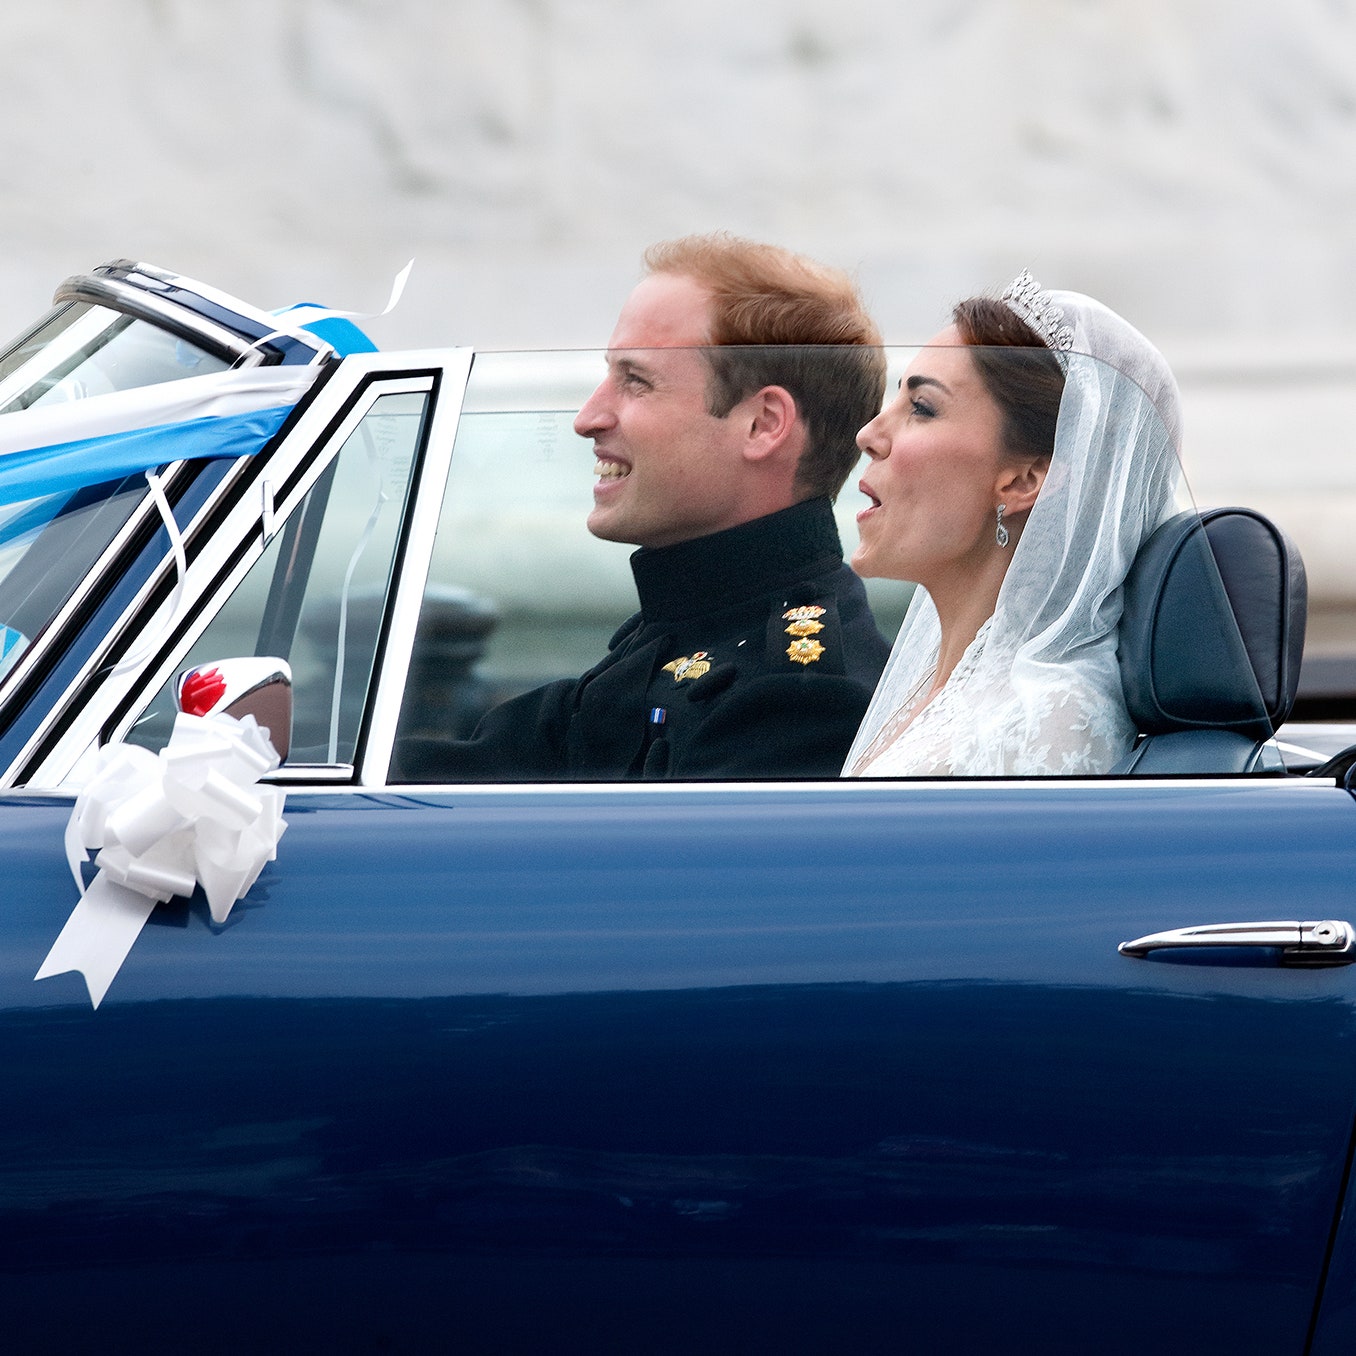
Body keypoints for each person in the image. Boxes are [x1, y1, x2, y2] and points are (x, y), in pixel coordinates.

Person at [398, 233, 890, 782]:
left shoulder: (796, 699)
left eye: (635, 382)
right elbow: (478, 768)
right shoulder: (683, 624)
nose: (588, 417)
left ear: (763, 424)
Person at [843, 271, 1183, 777]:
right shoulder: (942, 680)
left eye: (921, 408)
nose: (868, 434)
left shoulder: (1046, 721)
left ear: (1025, 479)